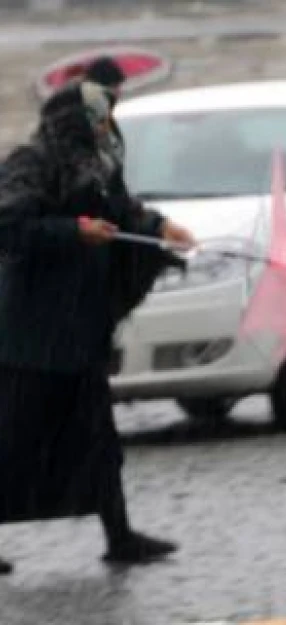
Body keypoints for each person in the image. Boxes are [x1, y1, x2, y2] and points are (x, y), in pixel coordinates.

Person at [0, 82, 196, 574]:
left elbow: (120, 214)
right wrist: (73, 231)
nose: (108, 126)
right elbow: (9, 225)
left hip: (82, 328)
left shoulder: (98, 164)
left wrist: (157, 227)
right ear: (76, 121)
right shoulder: (32, 163)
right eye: (101, 117)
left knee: (98, 441)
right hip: (32, 337)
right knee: (13, 442)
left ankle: (120, 534)